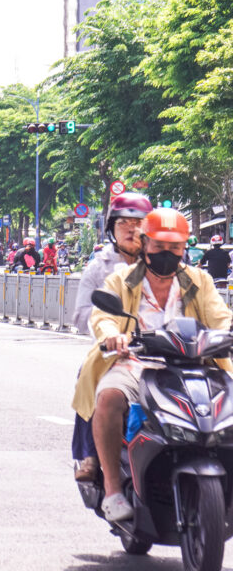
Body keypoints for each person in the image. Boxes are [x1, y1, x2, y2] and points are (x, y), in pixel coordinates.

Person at [74, 207, 232, 521]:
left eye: (175, 247)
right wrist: (112, 336)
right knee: (108, 397)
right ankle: (113, 489)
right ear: (145, 244)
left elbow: (220, 318)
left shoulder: (198, 280)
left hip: (193, 366)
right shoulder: (121, 279)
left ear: (184, 248)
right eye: (159, 246)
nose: (167, 254)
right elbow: (102, 317)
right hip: (134, 363)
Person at [70, 191, 151, 481]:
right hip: (114, 351)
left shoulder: (164, 265)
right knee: (90, 376)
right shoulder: (100, 268)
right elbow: (82, 315)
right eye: (124, 223)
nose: (133, 230)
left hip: (163, 349)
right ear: (112, 229)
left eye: (139, 223)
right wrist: (111, 331)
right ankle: (90, 455)